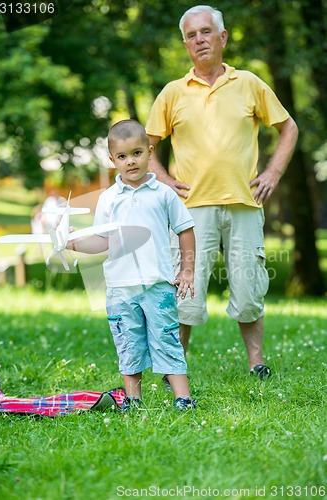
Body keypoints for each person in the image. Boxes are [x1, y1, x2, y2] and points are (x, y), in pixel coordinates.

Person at [146, 5, 298, 379]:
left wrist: (274, 172)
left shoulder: (249, 83)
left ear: (222, 37)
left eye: (206, 32)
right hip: (190, 209)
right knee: (186, 291)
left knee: (249, 287)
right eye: (192, 35)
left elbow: (289, 128)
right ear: (185, 44)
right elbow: (144, 146)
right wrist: (163, 179)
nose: (199, 39)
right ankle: (174, 368)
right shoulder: (172, 92)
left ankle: (256, 363)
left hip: (245, 203)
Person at [67, 119, 196, 411]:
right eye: (122, 157)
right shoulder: (108, 199)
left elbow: (185, 229)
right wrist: (74, 243)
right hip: (120, 289)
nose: (131, 161)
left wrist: (186, 269)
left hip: (158, 284)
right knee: (128, 344)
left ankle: (183, 398)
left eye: (137, 153)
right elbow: (103, 241)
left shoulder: (164, 194)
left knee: (167, 339)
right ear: (112, 160)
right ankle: (133, 401)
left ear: (150, 151)